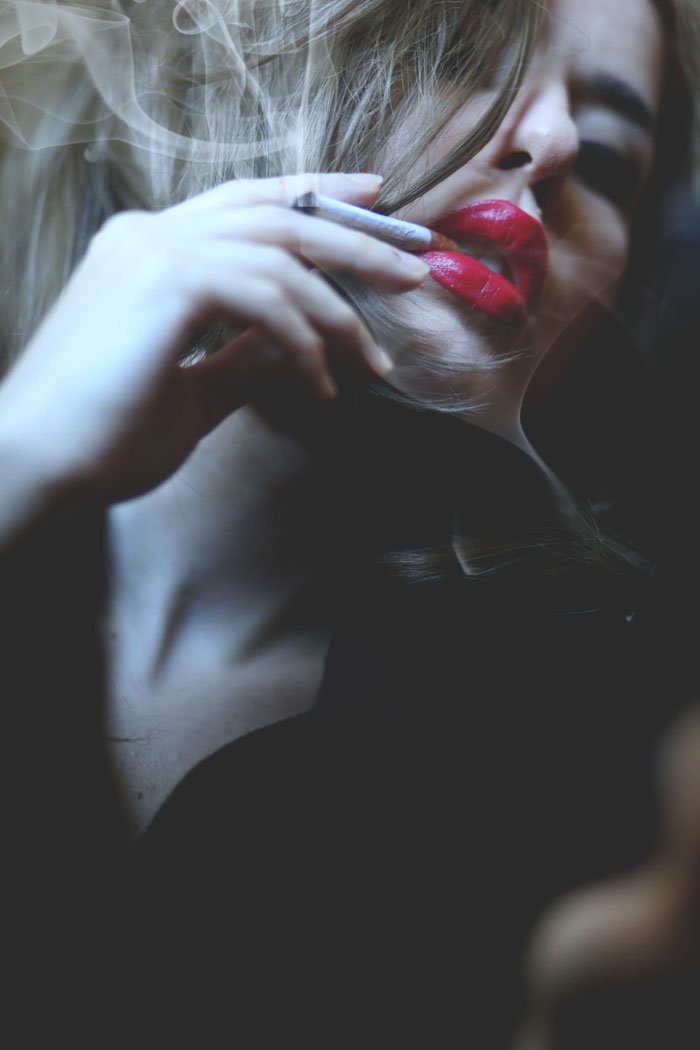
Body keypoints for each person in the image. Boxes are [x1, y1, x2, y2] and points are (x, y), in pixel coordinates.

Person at [0, 0, 698, 1044]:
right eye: (458, 55)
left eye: (607, 159)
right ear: (225, 78)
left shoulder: (582, 784)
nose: (554, 143)